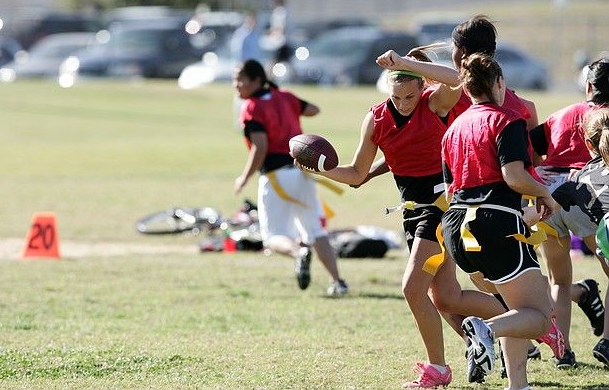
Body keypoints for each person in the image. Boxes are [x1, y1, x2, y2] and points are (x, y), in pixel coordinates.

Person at [298, 43, 521, 387]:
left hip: (443, 208)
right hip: (412, 212)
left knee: (411, 288)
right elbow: (357, 174)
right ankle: (529, 321)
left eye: (409, 96)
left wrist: (404, 62)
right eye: (396, 97)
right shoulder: (375, 119)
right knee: (446, 298)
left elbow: (458, 79)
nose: (402, 104)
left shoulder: (435, 103)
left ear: (422, 88)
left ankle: (438, 370)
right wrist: (322, 170)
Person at [440, 52, 559, 390]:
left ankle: (518, 384)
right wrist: (544, 194)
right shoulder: (507, 119)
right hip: (494, 224)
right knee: (539, 318)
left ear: (466, 87)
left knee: (515, 308)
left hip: (457, 229)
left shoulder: (453, 129)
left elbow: (454, 190)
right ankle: (484, 329)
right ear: (499, 83)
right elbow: (514, 176)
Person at [232, 59, 347, 296]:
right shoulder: (285, 96)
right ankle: (337, 282)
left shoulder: (252, 106)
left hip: (276, 177)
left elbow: (260, 148)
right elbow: (314, 109)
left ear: (256, 81)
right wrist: (286, 105)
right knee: (315, 231)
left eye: (240, 80)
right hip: (302, 172)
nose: (236, 85)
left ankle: (298, 253)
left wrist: (244, 177)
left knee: (273, 236)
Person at [530, 57, 609, 368]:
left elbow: (532, 147)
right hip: (588, 196)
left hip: (549, 197)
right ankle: (606, 341)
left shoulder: (561, 114)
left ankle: (562, 351)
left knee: (559, 280)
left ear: (588, 86)